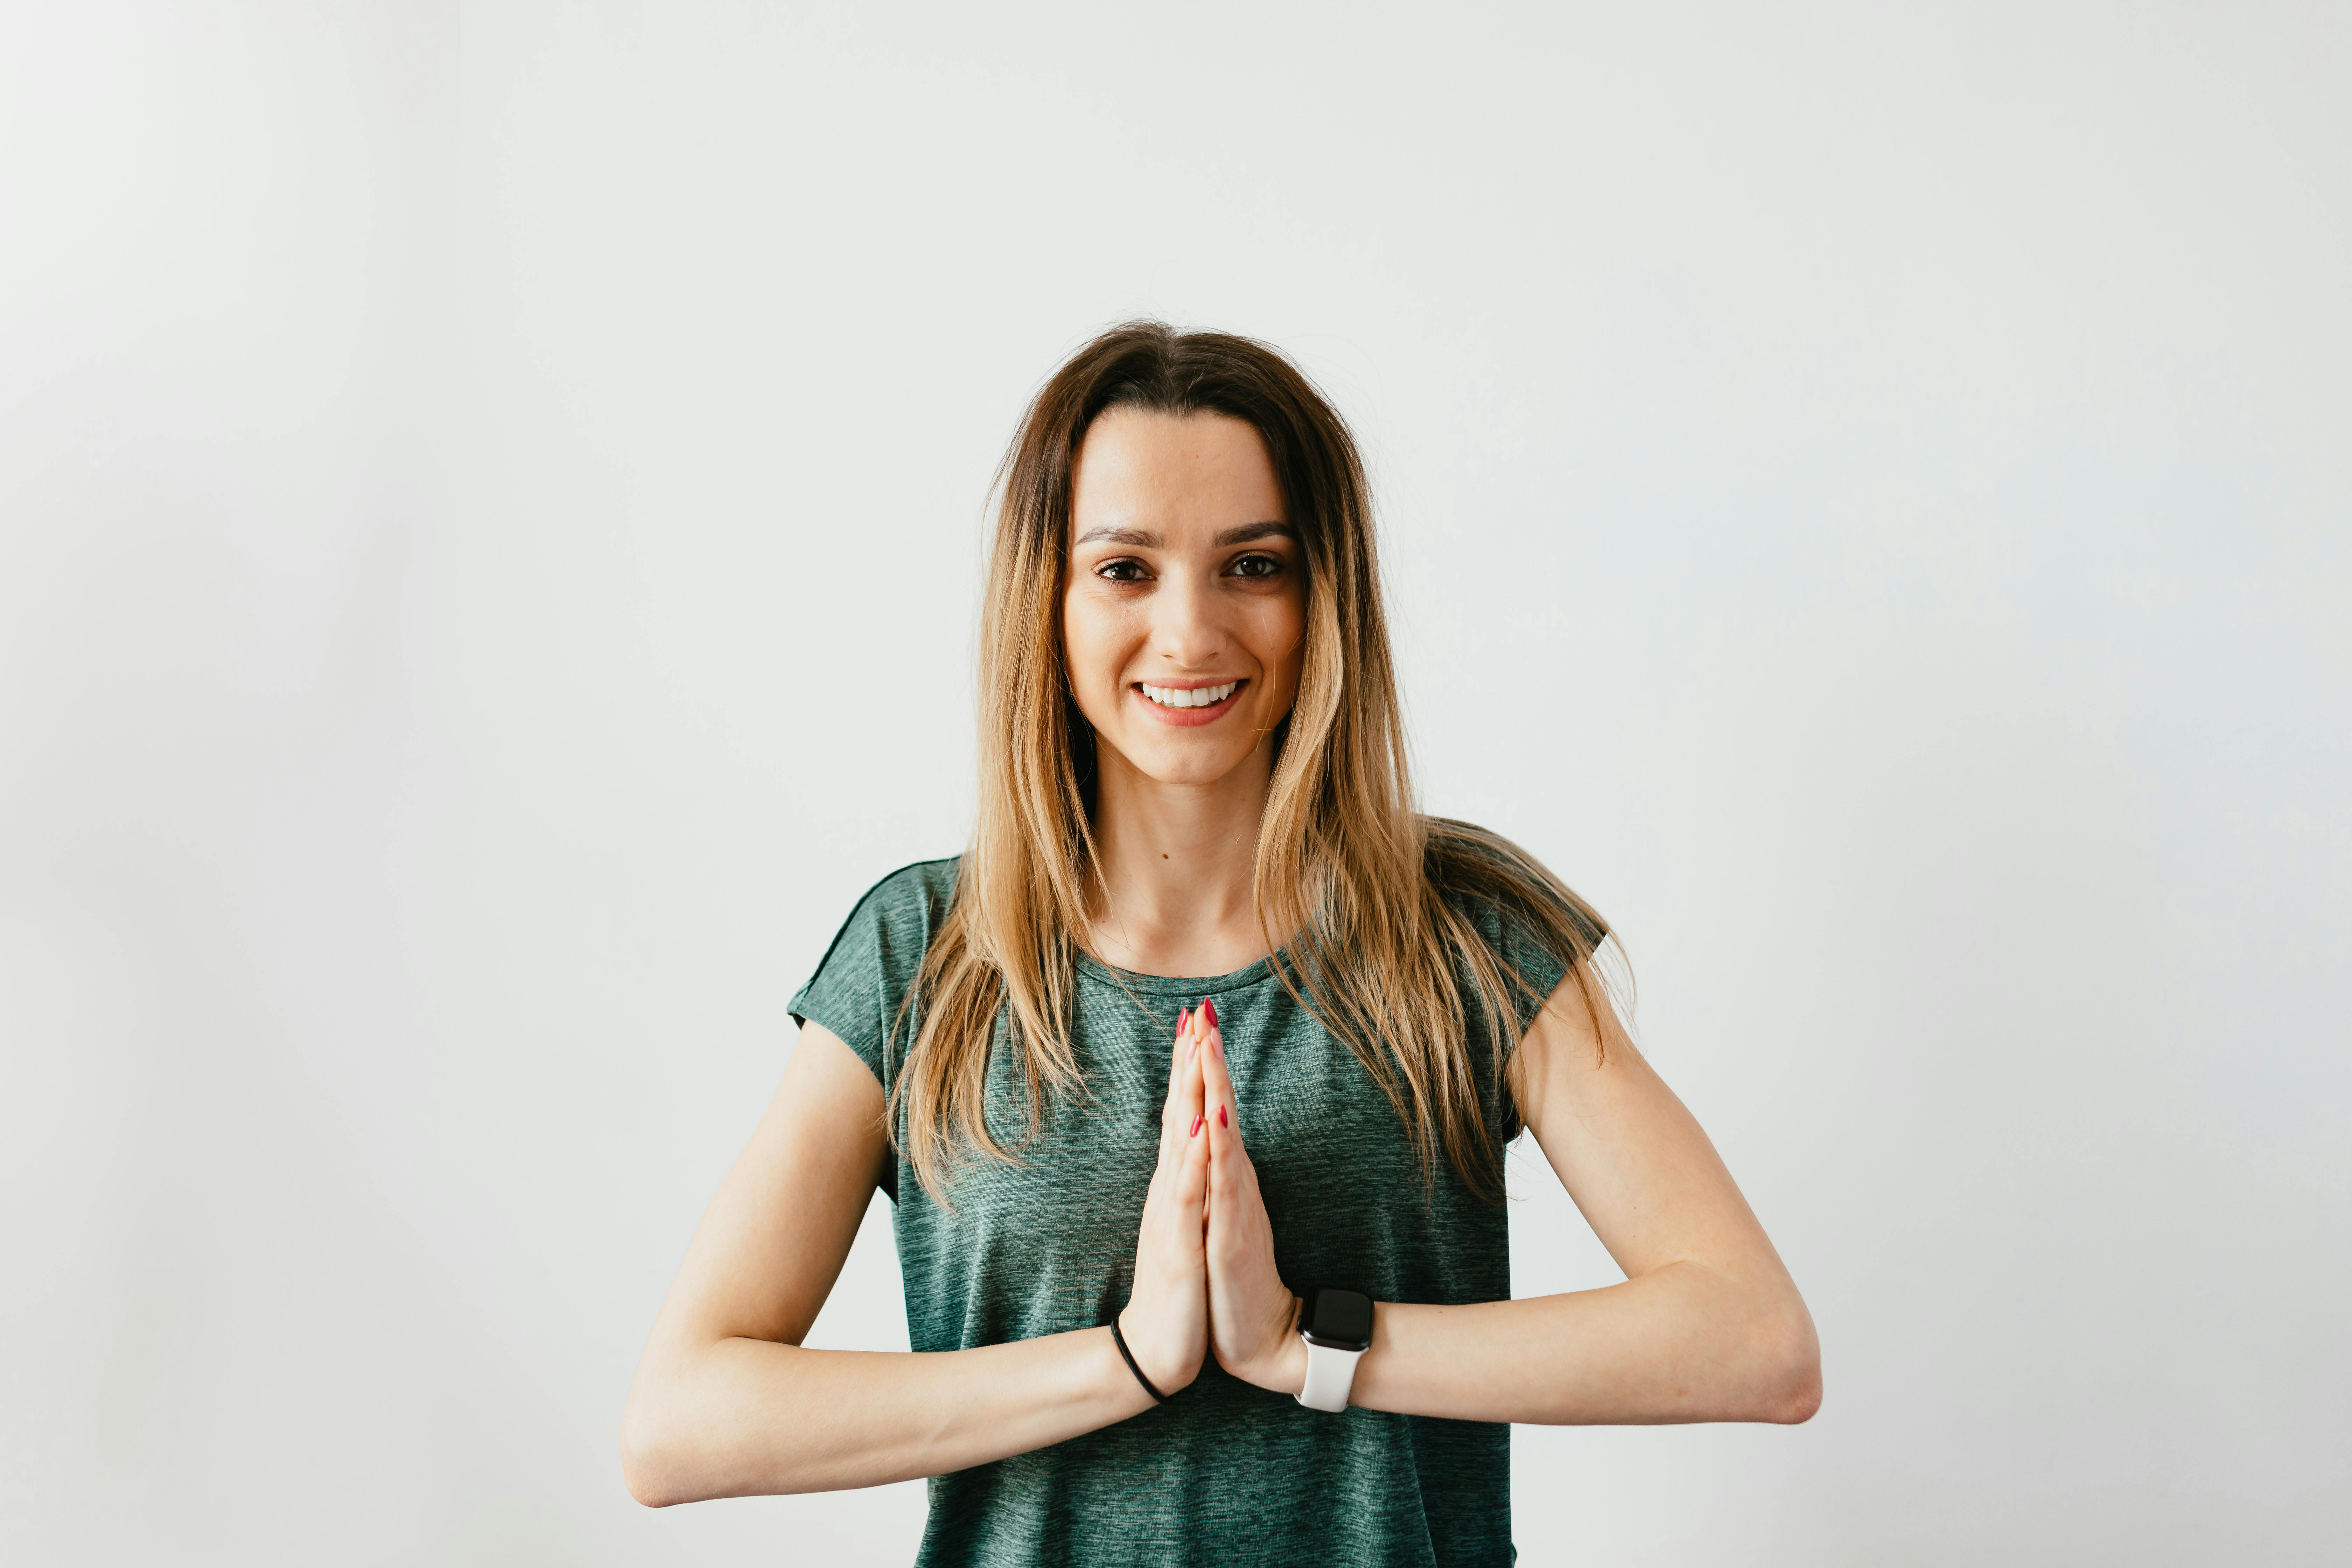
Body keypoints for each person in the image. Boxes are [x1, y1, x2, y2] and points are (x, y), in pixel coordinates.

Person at [620, 322, 1820, 1565]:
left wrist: (1311, 1346)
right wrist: (1129, 1359)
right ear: (1049, 599)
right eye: (1126, 569)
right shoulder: (924, 955)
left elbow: (1755, 1339)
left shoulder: (1466, 935)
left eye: (1252, 565)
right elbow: (680, 1425)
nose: (1191, 632)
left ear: (1324, 599)